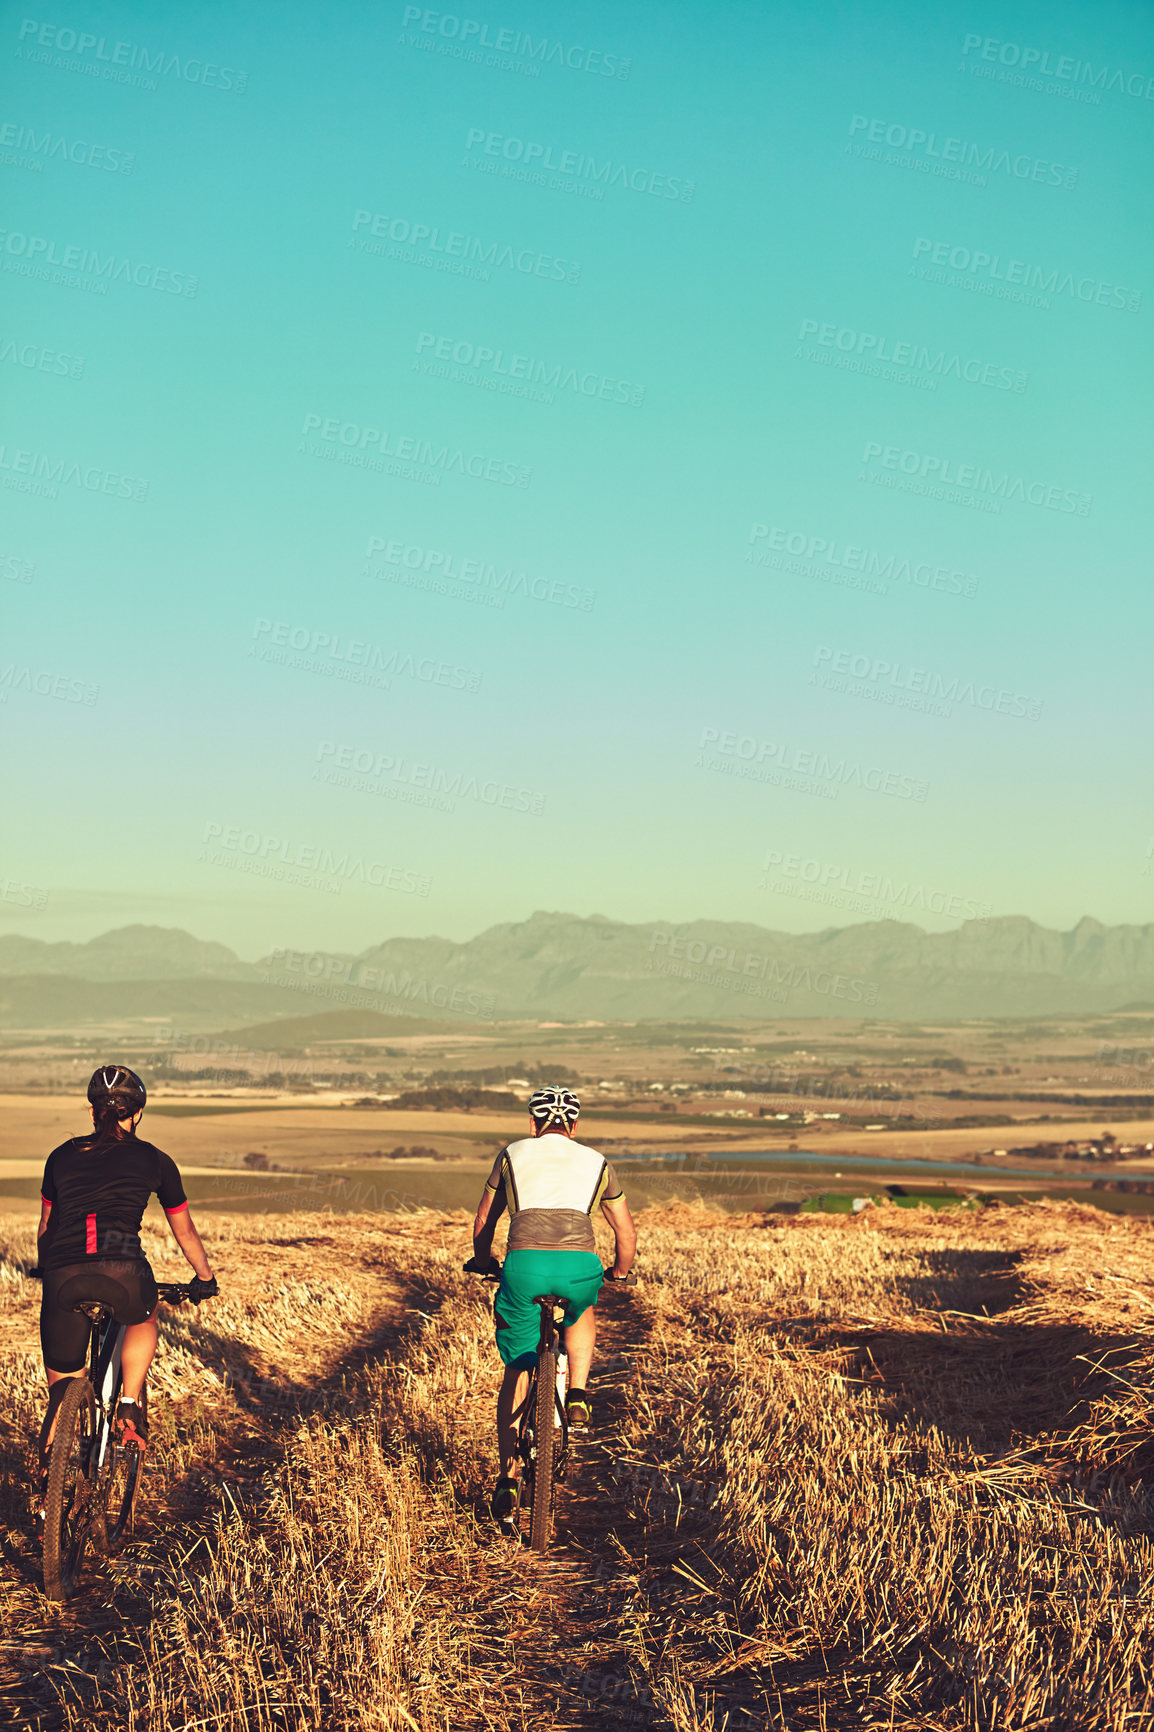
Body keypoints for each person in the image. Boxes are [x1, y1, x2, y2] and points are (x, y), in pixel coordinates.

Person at [36, 1065, 217, 1479]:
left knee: (63, 1392)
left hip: (63, 1276)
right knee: (145, 1313)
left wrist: (46, 1268)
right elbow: (183, 1228)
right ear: (136, 1113)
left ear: (92, 1112)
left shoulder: (61, 1156)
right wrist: (204, 1278)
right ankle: (130, 1406)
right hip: (124, 1273)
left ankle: (48, 1482)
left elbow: (47, 1227)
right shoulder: (155, 1159)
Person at [469, 1084, 636, 1529]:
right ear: (575, 1126)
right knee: (581, 1309)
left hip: (523, 1268)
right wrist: (617, 1273)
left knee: (517, 1370)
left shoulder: (512, 1154)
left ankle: (507, 1477)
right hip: (578, 1266)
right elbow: (625, 1234)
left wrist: (484, 1261)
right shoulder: (599, 1163)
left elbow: (486, 1219)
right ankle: (577, 1393)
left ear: (532, 1123)